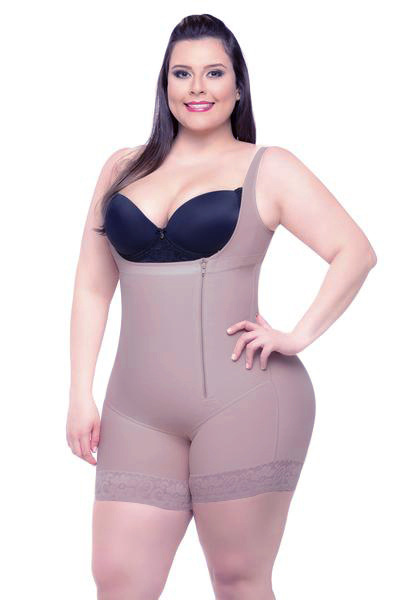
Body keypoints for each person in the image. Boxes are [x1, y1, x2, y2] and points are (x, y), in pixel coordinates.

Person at [66, 13, 377, 600]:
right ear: (165, 84)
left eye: (214, 73)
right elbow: (91, 286)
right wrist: (80, 393)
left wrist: (298, 335)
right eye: (182, 73)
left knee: (237, 579)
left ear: (238, 85)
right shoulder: (122, 168)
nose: (197, 87)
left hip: (245, 400)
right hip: (135, 411)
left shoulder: (267, 166)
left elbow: (354, 252)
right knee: (118, 580)